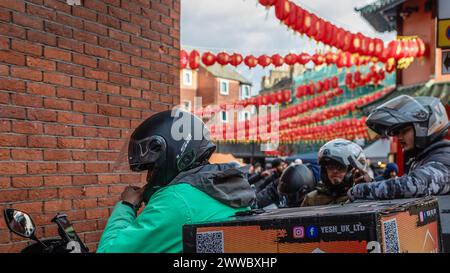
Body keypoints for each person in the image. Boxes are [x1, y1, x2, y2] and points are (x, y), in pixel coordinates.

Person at [97, 109, 255, 253]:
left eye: (151, 168)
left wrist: (127, 205)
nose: (148, 177)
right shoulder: (221, 186)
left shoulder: (176, 200)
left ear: (175, 156)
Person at [348, 95, 450, 201]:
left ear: (425, 127)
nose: (399, 138)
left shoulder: (445, 158)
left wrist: (359, 190)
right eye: (397, 133)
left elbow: (414, 186)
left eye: (404, 131)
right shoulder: (424, 158)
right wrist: (370, 183)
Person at [301, 139, 368, 207]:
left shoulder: (364, 195)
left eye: (340, 167)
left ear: (353, 171)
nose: (334, 171)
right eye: (330, 167)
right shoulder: (312, 199)